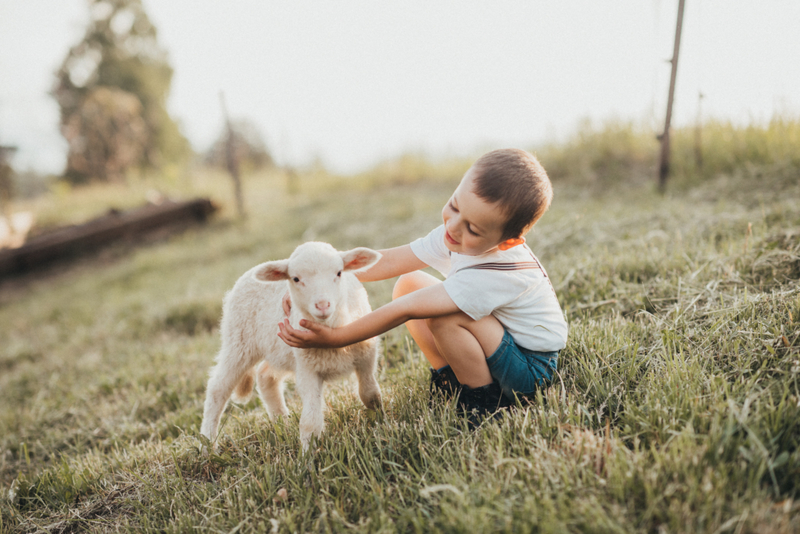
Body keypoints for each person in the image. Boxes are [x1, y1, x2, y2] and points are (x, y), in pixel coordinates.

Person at [278, 148, 568, 424]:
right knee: (409, 283)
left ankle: (483, 403)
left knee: (446, 319)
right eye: (454, 206)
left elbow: (404, 310)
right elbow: (389, 262)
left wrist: (336, 338)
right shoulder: (457, 234)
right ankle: (451, 382)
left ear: (506, 242)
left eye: (473, 229)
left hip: (530, 368)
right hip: (503, 341)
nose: (453, 227)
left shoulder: (494, 273)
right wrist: (317, 283)